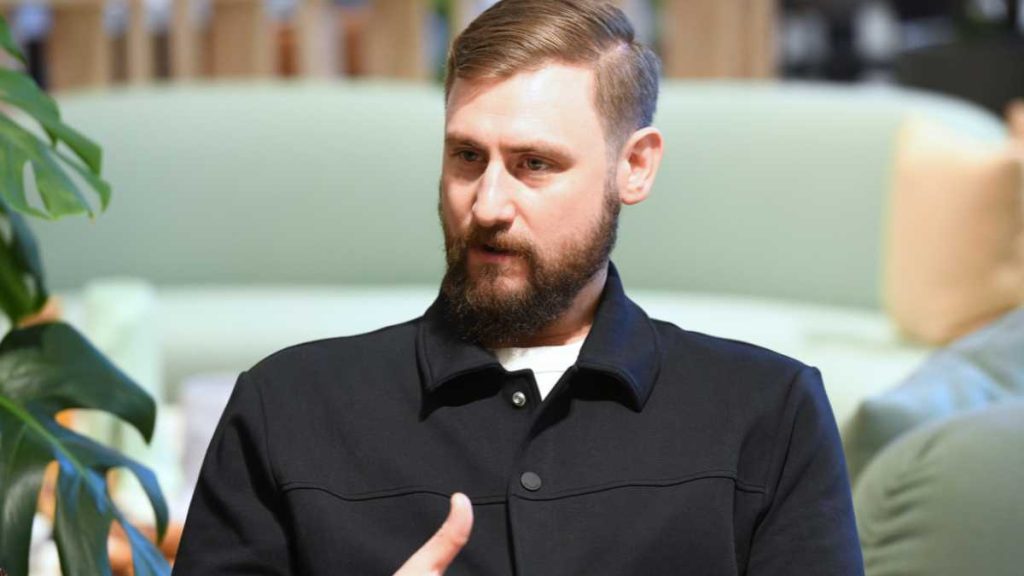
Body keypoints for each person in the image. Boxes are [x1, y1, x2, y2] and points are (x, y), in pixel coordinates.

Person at [173, 1, 864, 574]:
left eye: (535, 164)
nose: (489, 204)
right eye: (467, 157)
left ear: (636, 167)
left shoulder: (767, 415)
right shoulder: (288, 408)